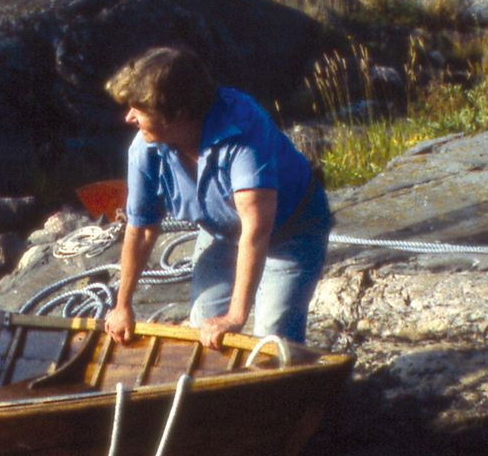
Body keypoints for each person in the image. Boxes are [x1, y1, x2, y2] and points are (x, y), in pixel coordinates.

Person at [103, 46, 331, 348]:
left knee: (271, 337)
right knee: (202, 323)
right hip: (221, 233)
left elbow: (256, 229)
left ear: (177, 113)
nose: (129, 117)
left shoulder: (245, 132)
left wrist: (236, 316)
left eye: (139, 108)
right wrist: (123, 305)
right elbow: (143, 228)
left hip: (292, 232)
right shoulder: (145, 149)